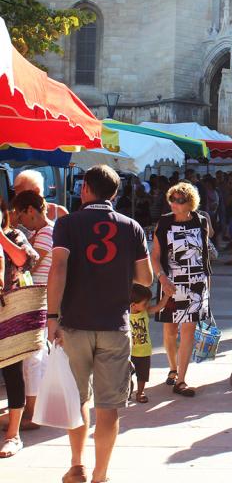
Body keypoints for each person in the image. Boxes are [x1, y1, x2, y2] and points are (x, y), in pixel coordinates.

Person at [46, 165, 153, 483]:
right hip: (115, 326)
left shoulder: (66, 223)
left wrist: (52, 316)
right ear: (115, 194)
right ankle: (100, 475)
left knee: (77, 399)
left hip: (74, 325)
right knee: (108, 407)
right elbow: (145, 278)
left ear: (85, 190)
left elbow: (59, 267)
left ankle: (76, 466)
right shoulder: (131, 226)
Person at [152, 181, 210, 397]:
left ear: (190, 202)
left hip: (195, 282)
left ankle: (182, 380)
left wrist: (207, 288)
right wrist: (162, 278)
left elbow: (203, 256)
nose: (174, 204)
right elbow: (155, 257)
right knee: (170, 330)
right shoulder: (164, 223)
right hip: (170, 283)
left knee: (188, 331)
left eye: (180, 200)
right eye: (172, 200)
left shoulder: (200, 221)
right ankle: (173, 368)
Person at [11, 190, 55, 428]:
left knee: (33, 358)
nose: (19, 220)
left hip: (38, 298)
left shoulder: (45, 233)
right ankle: (36, 408)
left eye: (20, 215)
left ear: (30, 210)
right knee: (39, 356)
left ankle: (32, 412)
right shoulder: (45, 231)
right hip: (44, 298)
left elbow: (30, 263)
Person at [0, 197, 39, 458]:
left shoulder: (14, 235)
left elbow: (25, 260)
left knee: (13, 370)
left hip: (9, 312)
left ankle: (13, 435)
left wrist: (0, 237)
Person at [129, 284, 169, 404]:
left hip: (144, 351)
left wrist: (167, 295)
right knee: (125, 376)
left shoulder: (145, 312)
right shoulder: (125, 315)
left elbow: (159, 307)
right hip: (128, 352)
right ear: (133, 305)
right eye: (145, 303)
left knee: (143, 375)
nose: (148, 306)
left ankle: (140, 392)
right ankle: (126, 392)